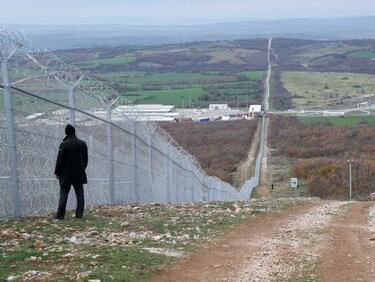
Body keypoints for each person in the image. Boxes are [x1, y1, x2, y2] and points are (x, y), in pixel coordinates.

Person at [54, 124, 88, 220]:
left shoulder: (64, 144)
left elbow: (59, 160)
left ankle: (60, 216)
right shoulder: (82, 144)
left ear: (66, 133)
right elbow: (85, 160)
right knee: (80, 194)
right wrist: (81, 169)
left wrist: (57, 172)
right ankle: (79, 215)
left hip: (66, 174)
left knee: (64, 194)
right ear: (74, 132)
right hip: (79, 173)